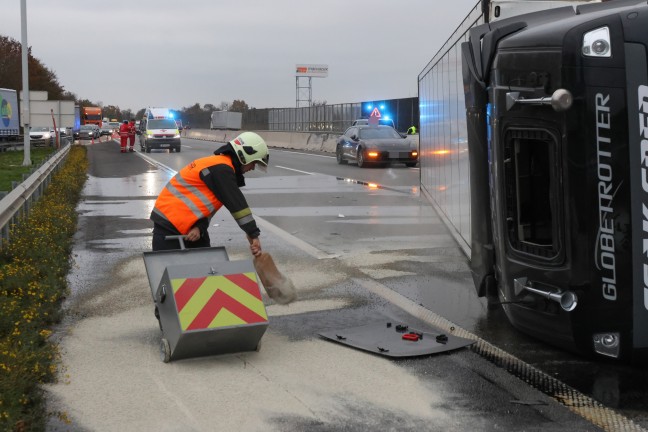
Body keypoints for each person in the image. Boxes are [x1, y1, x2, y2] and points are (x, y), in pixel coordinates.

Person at [150, 131, 269, 257]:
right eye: (254, 163)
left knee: (207, 269)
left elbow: (205, 208)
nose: (253, 168)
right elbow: (238, 206)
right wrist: (253, 235)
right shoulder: (222, 169)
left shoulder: (220, 167)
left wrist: (199, 228)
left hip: (188, 226)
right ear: (245, 155)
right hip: (169, 226)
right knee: (174, 271)